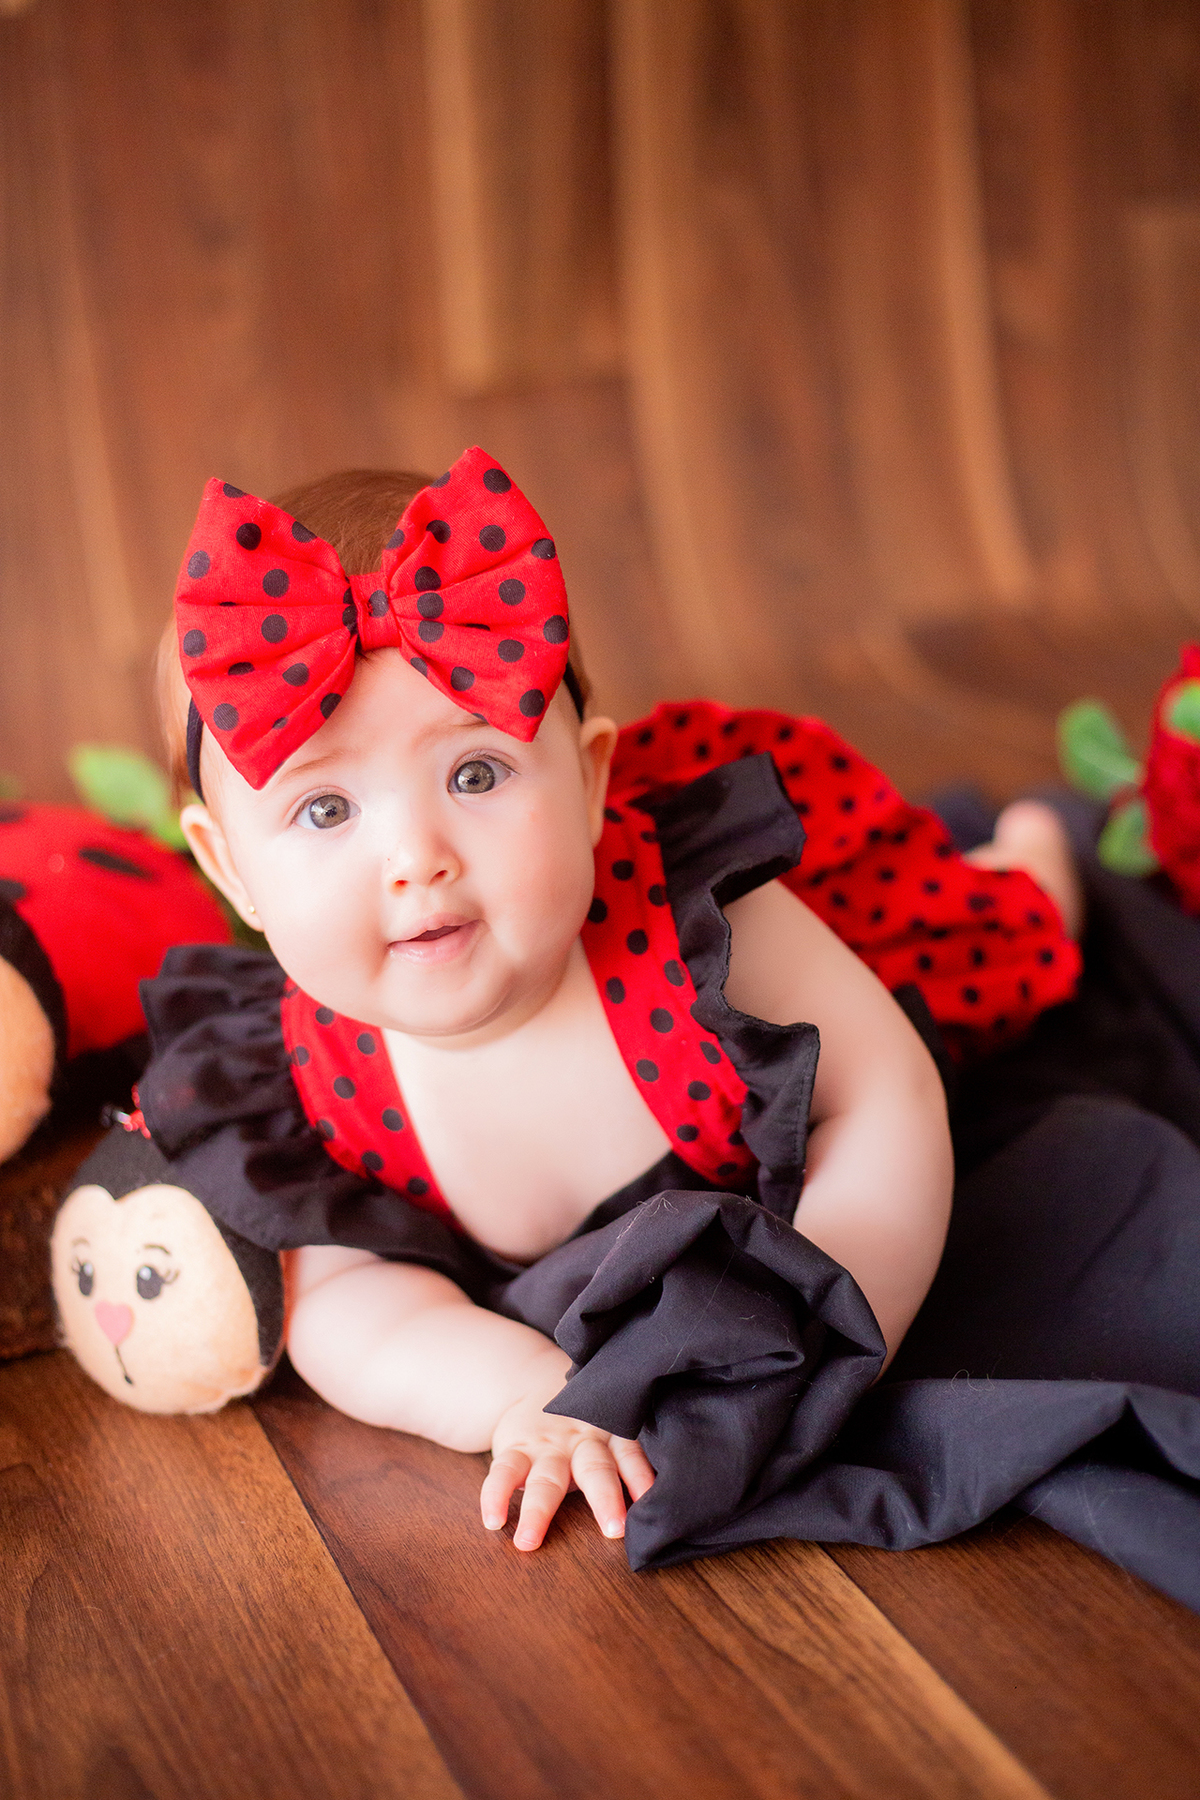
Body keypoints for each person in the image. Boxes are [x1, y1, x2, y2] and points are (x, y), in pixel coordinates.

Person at [145, 448, 1081, 1553]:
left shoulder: (704, 925)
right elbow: (347, 1307)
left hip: (875, 951)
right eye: (325, 810)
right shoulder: (305, 1087)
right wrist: (517, 1391)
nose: (416, 858)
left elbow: (883, 1100)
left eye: (477, 774)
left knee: (1004, 941)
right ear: (230, 870)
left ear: (590, 779)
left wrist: (837, 1294)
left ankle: (1035, 854)